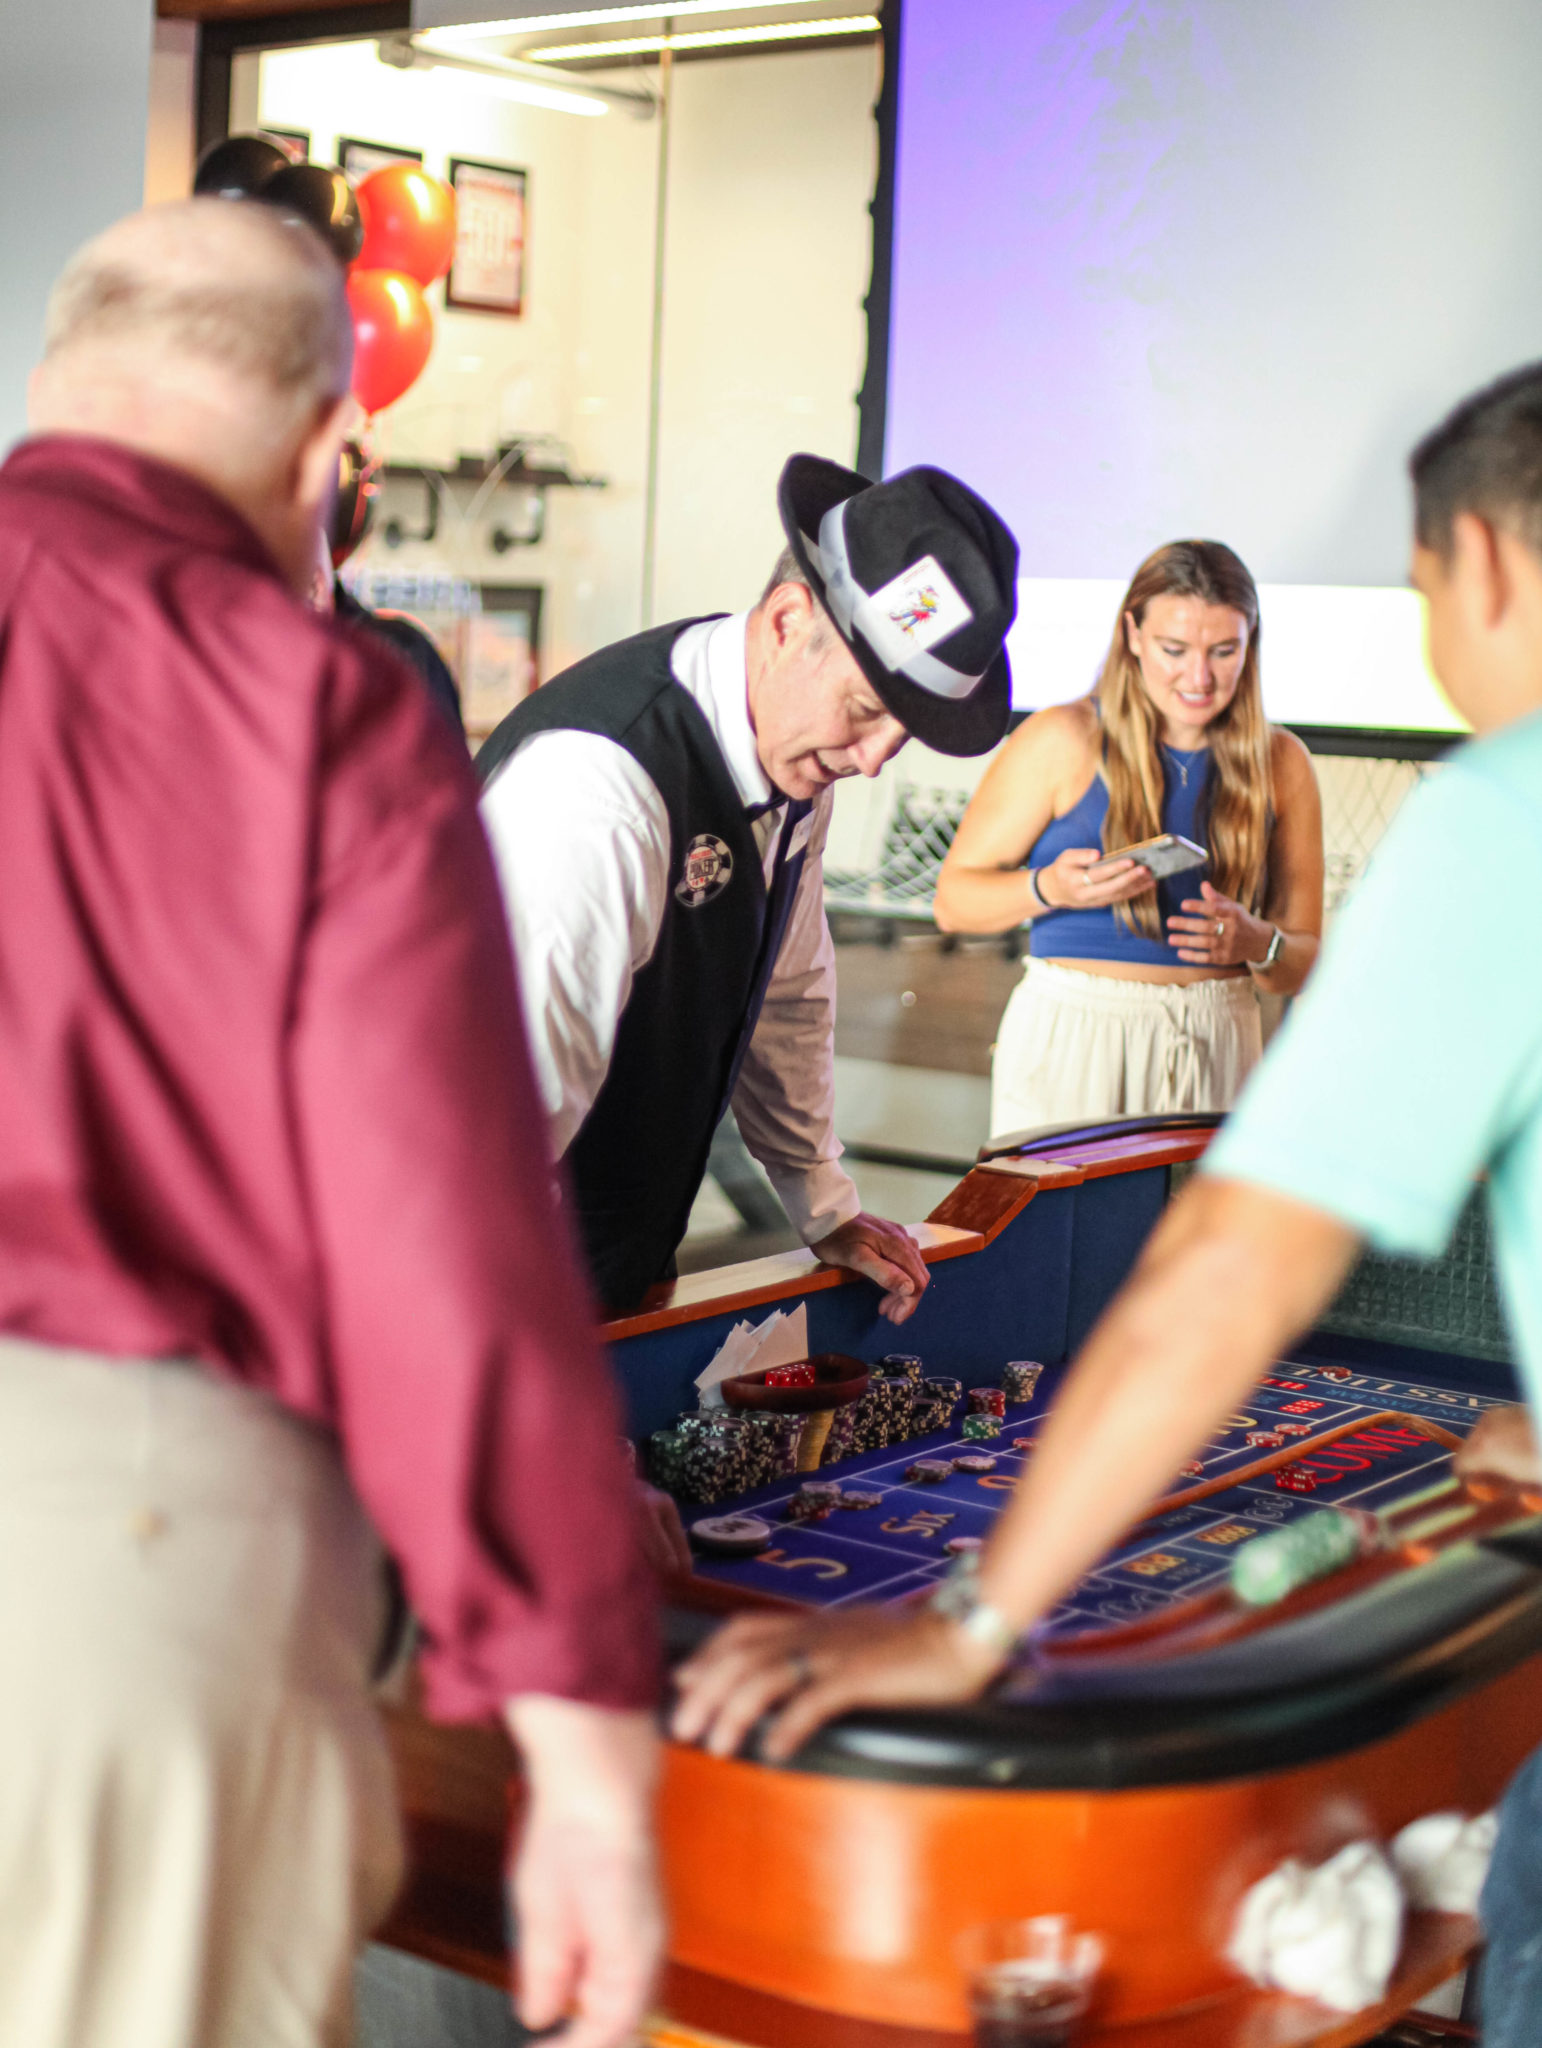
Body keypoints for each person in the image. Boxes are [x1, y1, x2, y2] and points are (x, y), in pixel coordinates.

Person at [672, 362, 1542, 2047]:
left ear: (1485, 567)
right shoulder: (1073, 746)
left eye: (1420, 584)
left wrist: (973, 1619)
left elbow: (1233, 1270)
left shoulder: (1499, 816)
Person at [1, 198, 660, 2048]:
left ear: (57, 390)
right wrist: (588, 1756)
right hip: (113, 1552)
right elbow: (440, 1250)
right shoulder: (311, 702)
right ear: (327, 458)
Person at [477, 455, 1020, 1320]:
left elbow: (788, 991)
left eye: (903, 733)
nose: (873, 760)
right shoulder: (599, 794)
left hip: (617, 1257)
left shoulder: (794, 745)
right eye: (867, 710)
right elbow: (502, 1115)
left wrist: (825, 1206)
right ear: (787, 621)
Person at [934, 540, 1323, 1139]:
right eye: (1175, 649)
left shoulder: (1283, 761)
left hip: (1221, 1038)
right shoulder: (1061, 737)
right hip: (1076, 1037)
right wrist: (1049, 889)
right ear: (1132, 634)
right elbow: (953, 903)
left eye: (1224, 651)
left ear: (1251, 644)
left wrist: (1257, 941)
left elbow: (1298, 965)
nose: (1199, 677)